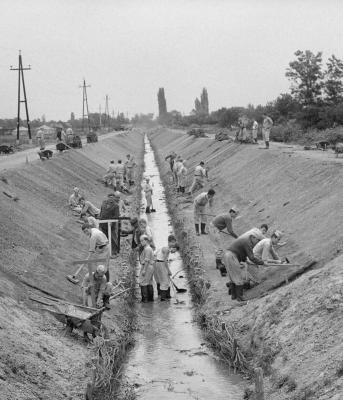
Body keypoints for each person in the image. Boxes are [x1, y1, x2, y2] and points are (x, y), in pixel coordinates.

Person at [223, 235, 264, 301]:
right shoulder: (247, 242)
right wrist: (262, 262)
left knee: (233, 277)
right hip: (232, 256)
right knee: (238, 277)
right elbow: (252, 257)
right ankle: (240, 297)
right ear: (253, 237)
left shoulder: (245, 240)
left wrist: (247, 261)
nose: (257, 243)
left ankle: (234, 296)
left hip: (227, 255)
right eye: (258, 240)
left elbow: (242, 254)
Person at [209, 207, 239, 275]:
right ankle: (219, 264)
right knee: (218, 247)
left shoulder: (226, 215)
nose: (236, 216)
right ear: (232, 212)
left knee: (218, 246)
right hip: (214, 229)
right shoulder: (228, 218)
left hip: (213, 228)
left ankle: (218, 263)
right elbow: (230, 231)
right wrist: (237, 237)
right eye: (235, 214)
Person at [138, 234, 155, 302]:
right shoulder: (148, 248)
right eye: (140, 241)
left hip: (147, 267)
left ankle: (144, 300)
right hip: (150, 267)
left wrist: (144, 270)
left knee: (143, 282)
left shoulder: (147, 249)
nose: (141, 242)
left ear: (146, 241)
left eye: (142, 241)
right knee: (149, 282)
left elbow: (147, 260)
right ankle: (151, 299)